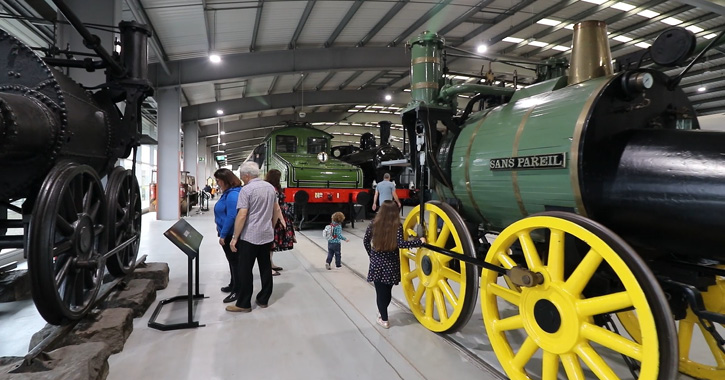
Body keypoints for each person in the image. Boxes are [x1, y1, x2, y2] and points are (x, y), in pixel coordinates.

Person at [227, 162, 283, 312]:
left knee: (245, 269)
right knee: (265, 267)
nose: (241, 178)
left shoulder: (246, 190)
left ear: (246, 175)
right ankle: (263, 299)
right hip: (266, 234)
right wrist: (270, 227)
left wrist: (234, 238)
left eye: (241, 175)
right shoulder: (270, 188)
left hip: (250, 236)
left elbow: (242, 215)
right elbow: (276, 210)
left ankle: (244, 303)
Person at [363, 200, 425, 328]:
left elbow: (365, 241)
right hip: (391, 264)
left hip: (377, 263)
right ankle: (383, 315)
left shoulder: (373, 224)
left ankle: (383, 319)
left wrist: (372, 255)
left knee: (380, 292)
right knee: (387, 292)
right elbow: (401, 244)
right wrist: (418, 242)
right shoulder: (397, 226)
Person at [213, 169, 242, 303]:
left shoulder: (232, 195)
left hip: (230, 234)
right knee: (232, 261)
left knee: (235, 262)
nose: (217, 183)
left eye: (218, 180)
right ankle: (233, 284)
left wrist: (223, 235)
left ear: (225, 180)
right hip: (226, 232)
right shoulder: (228, 193)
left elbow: (231, 216)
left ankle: (237, 290)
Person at [265, 169, 296, 276]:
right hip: (276, 218)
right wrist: (280, 221)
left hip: (279, 217)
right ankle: (267, 267)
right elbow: (276, 207)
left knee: (273, 243)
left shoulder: (274, 188)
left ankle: (271, 263)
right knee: (270, 243)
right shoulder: (272, 189)